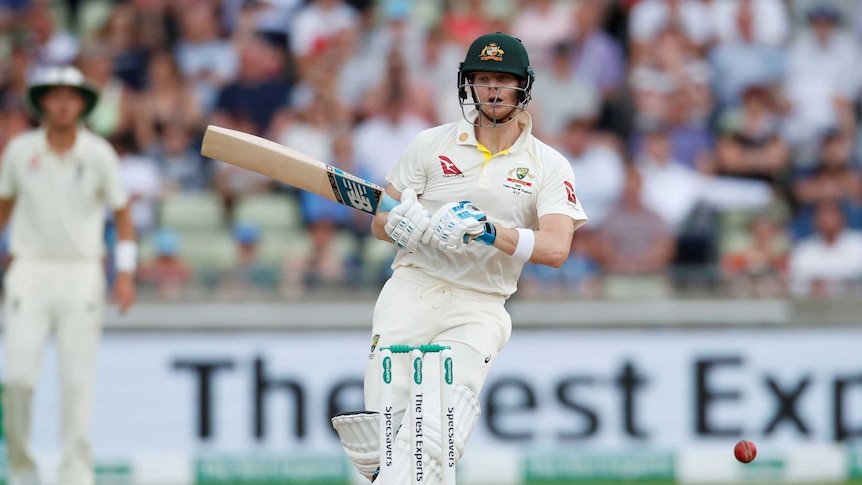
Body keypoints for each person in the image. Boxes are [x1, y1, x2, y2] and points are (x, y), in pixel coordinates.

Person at [331, 33, 588, 484]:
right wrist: (401, 224)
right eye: (483, 79)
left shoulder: (549, 165)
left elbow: (556, 248)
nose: (492, 90)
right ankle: (380, 469)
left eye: (502, 81)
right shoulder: (429, 144)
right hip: (411, 288)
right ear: (467, 84)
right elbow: (379, 219)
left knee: (436, 421)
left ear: (523, 87)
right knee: (384, 440)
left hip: (480, 303)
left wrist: (489, 231)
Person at [0, 66, 137, 485]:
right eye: (54, 95)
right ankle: (22, 471)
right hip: (29, 269)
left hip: (81, 271)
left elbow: (123, 215)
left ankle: (75, 474)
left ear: (82, 104)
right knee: (18, 378)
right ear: (42, 102)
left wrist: (125, 273)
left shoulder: (98, 153)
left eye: (70, 96)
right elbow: (3, 209)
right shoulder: (21, 151)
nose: (62, 104)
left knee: (77, 380)